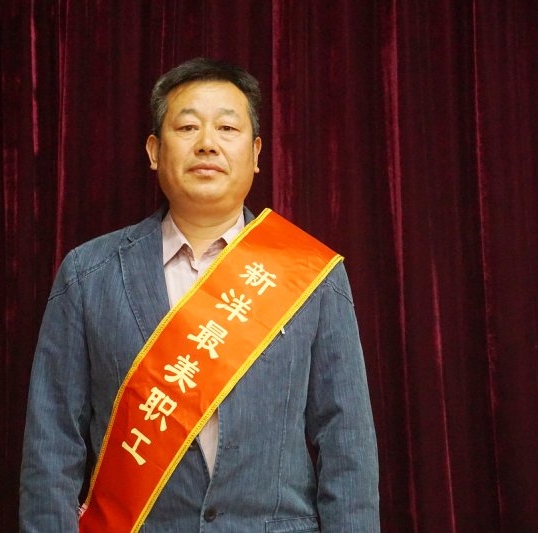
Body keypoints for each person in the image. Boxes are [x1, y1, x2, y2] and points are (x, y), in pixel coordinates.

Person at [20, 58, 379, 532]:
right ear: (155, 150)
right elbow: (51, 445)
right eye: (187, 127)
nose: (207, 143)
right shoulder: (89, 275)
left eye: (227, 128)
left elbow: (347, 442)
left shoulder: (311, 276)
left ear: (255, 153)